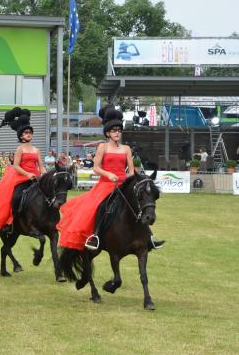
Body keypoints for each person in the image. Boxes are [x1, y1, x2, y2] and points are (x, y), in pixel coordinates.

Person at [57, 107, 162, 251]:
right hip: (105, 185)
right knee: (100, 208)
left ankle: (148, 237)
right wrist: (108, 174)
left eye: (119, 130)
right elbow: (96, 167)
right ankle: (96, 236)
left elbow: (131, 171)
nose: (117, 132)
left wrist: (132, 180)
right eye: (114, 130)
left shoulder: (126, 149)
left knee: (138, 206)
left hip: (123, 184)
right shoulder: (102, 147)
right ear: (107, 133)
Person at [0, 107, 44, 229]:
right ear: (21, 136)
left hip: (35, 177)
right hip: (21, 177)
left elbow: (41, 166)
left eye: (30, 132)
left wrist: (46, 175)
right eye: (26, 132)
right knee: (15, 197)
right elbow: (16, 166)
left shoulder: (37, 150)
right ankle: (11, 222)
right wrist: (27, 174)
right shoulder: (20, 149)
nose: (29, 134)